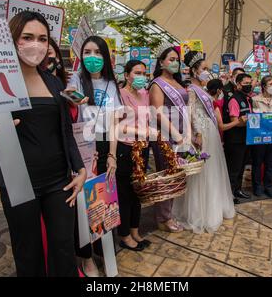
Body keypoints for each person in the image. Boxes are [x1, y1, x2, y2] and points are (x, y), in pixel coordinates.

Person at [0, 12, 87, 277]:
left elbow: (65, 132)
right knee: (28, 252)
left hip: (60, 182)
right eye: (27, 37)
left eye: (42, 38)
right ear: (13, 39)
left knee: (63, 248)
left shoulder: (53, 81)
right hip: (18, 183)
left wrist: (80, 169)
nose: (35, 44)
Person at [67, 35, 122, 276]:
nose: (92, 57)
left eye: (97, 52)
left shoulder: (112, 84)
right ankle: (86, 257)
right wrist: (80, 101)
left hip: (103, 147)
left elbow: (114, 123)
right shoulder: (76, 79)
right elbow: (66, 98)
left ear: (106, 57)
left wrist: (112, 155)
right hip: (81, 147)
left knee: (103, 202)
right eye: (87, 52)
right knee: (81, 207)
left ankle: (104, 249)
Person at [172, 51, 235, 233]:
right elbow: (189, 113)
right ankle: (200, 213)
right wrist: (196, 134)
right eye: (204, 69)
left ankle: (214, 207)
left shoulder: (203, 88)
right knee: (201, 174)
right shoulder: (191, 89)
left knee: (213, 171)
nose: (208, 72)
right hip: (202, 132)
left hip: (210, 131)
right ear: (193, 70)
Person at [149, 46, 187, 233]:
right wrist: (176, 135)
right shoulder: (157, 84)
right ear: (161, 62)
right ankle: (163, 218)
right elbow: (157, 113)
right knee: (167, 175)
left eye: (177, 59)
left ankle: (170, 212)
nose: (175, 62)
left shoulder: (178, 82)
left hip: (181, 135)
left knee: (176, 175)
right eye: (171, 59)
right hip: (166, 136)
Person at [116, 60, 152, 250]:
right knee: (125, 193)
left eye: (144, 74)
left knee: (138, 189)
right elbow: (118, 125)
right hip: (126, 148)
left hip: (143, 147)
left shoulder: (144, 94)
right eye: (137, 73)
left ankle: (135, 231)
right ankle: (123, 235)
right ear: (127, 75)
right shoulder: (120, 95)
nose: (141, 77)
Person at [251, 76, 272, 198]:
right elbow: (253, 117)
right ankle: (257, 186)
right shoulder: (255, 99)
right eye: (271, 84)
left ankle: (269, 186)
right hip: (259, 136)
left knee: (270, 163)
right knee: (257, 163)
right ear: (264, 86)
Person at [223, 73, 252, 201]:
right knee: (233, 169)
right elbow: (235, 121)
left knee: (241, 168)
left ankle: (237, 190)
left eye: (249, 83)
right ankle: (229, 194)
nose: (249, 85)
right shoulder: (234, 100)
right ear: (238, 84)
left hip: (245, 138)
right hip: (235, 140)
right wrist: (247, 121)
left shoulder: (248, 98)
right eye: (245, 83)